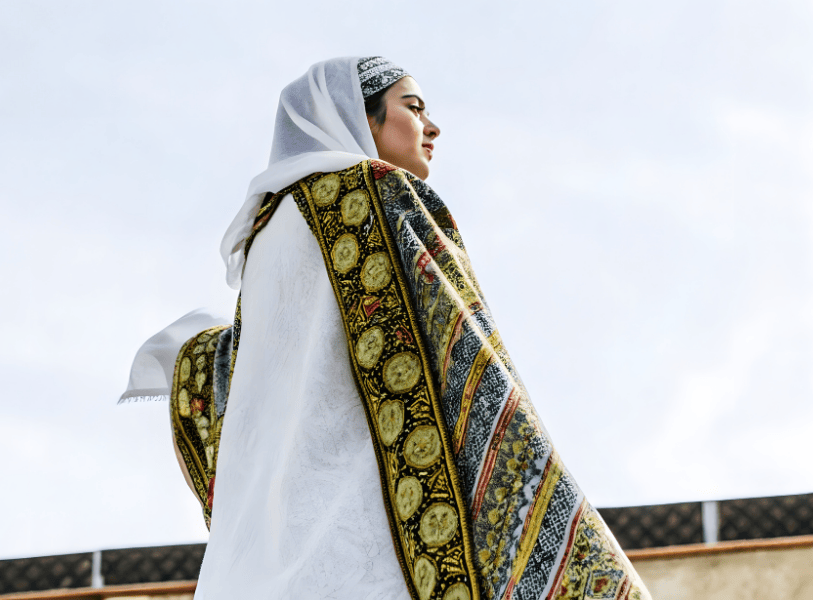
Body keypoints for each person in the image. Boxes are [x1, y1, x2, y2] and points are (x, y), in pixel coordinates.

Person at [129, 56, 651, 600]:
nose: (433, 126)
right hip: (375, 557)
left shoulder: (261, 244)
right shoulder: (380, 193)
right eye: (414, 107)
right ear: (362, 118)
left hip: (258, 574)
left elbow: (237, 378)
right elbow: (464, 356)